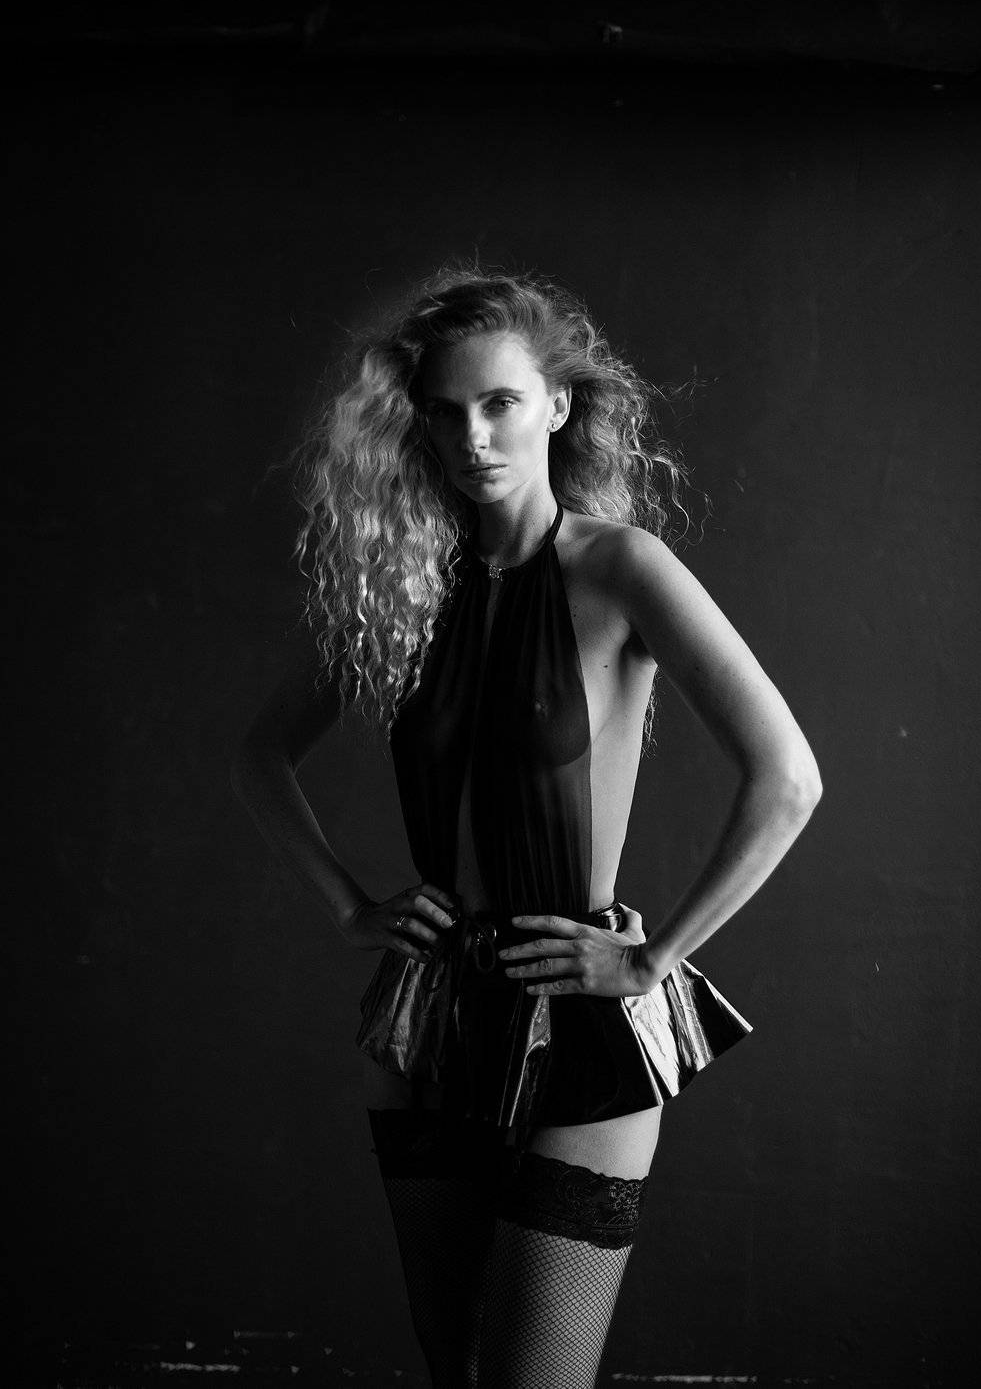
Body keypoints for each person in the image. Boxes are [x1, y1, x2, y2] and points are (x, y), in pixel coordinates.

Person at [231, 264, 822, 1388]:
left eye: (499, 402)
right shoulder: (400, 581)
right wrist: (351, 909)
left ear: (555, 403)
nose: (472, 437)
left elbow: (787, 779)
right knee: (452, 1363)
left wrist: (650, 958)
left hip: (582, 1021)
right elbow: (259, 756)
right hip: (431, 1011)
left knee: (533, 1379)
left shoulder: (622, 568)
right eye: (444, 410)